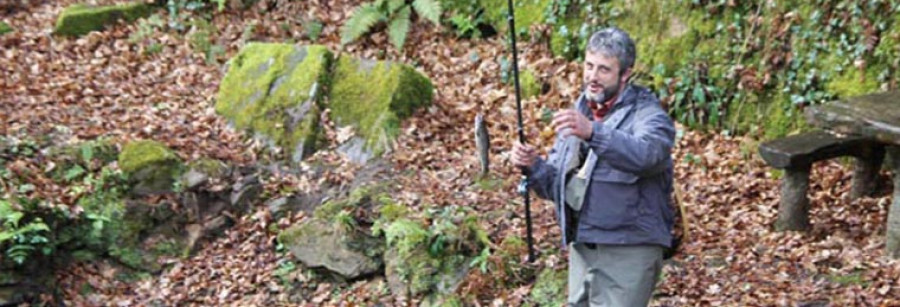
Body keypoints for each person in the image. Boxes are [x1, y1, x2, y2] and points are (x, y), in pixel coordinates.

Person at [510, 27, 676, 307]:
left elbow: (649, 154)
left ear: (625, 74)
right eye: (589, 66)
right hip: (584, 247)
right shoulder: (582, 111)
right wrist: (533, 166)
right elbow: (559, 184)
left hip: (629, 251)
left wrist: (593, 133)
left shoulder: (648, 114)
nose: (592, 77)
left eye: (604, 70)